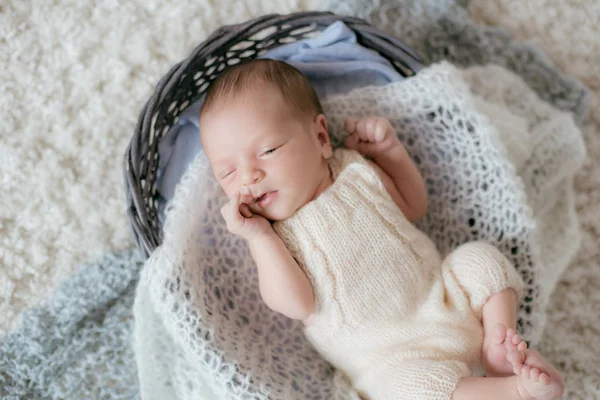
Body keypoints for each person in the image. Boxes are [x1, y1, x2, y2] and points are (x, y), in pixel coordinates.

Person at [198, 59, 564, 400]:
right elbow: (296, 303)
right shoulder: (272, 236)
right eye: (227, 172)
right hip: (390, 360)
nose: (249, 176)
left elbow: (412, 206)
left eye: (267, 150)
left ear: (321, 138)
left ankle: (496, 343)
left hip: (443, 297)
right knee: (411, 389)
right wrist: (258, 236)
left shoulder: (354, 169)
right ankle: (513, 392)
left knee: (480, 259)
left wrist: (391, 153)